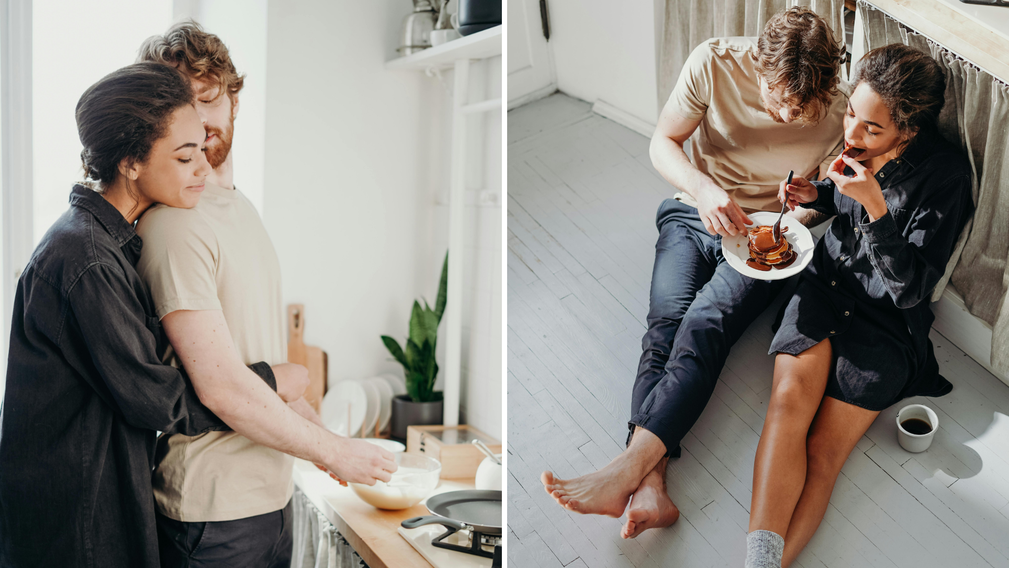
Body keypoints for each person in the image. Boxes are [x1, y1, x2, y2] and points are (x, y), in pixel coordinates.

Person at [541, 7, 848, 539]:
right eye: (778, 102)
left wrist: (788, 224)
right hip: (693, 212)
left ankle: (628, 468)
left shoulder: (837, 107)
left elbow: (825, 198)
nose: (785, 118)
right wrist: (706, 190)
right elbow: (664, 142)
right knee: (666, 322)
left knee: (706, 322)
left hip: (764, 237)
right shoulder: (713, 62)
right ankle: (650, 484)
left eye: (801, 110)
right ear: (757, 65)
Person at [0, 62, 311, 568]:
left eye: (202, 152)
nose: (203, 170)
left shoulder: (107, 242)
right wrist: (271, 381)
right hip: (74, 529)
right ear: (131, 163)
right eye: (185, 157)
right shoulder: (86, 260)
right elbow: (158, 400)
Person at [133, 21, 395, 567]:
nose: (201, 121)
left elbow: (258, 361)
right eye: (182, 103)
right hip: (212, 515)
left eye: (210, 98)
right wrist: (335, 452)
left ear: (234, 100)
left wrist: (324, 440)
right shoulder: (176, 224)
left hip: (268, 498)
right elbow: (223, 388)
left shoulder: (236, 207)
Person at [745, 44, 973, 568]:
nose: (851, 134)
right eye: (851, 112)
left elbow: (910, 290)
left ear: (909, 129)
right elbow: (837, 196)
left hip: (886, 324)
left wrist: (876, 208)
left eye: (872, 128)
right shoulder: (854, 143)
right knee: (784, 408)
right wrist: (815, 195)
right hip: (825, 289)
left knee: (824, 454)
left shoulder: (946, 178)